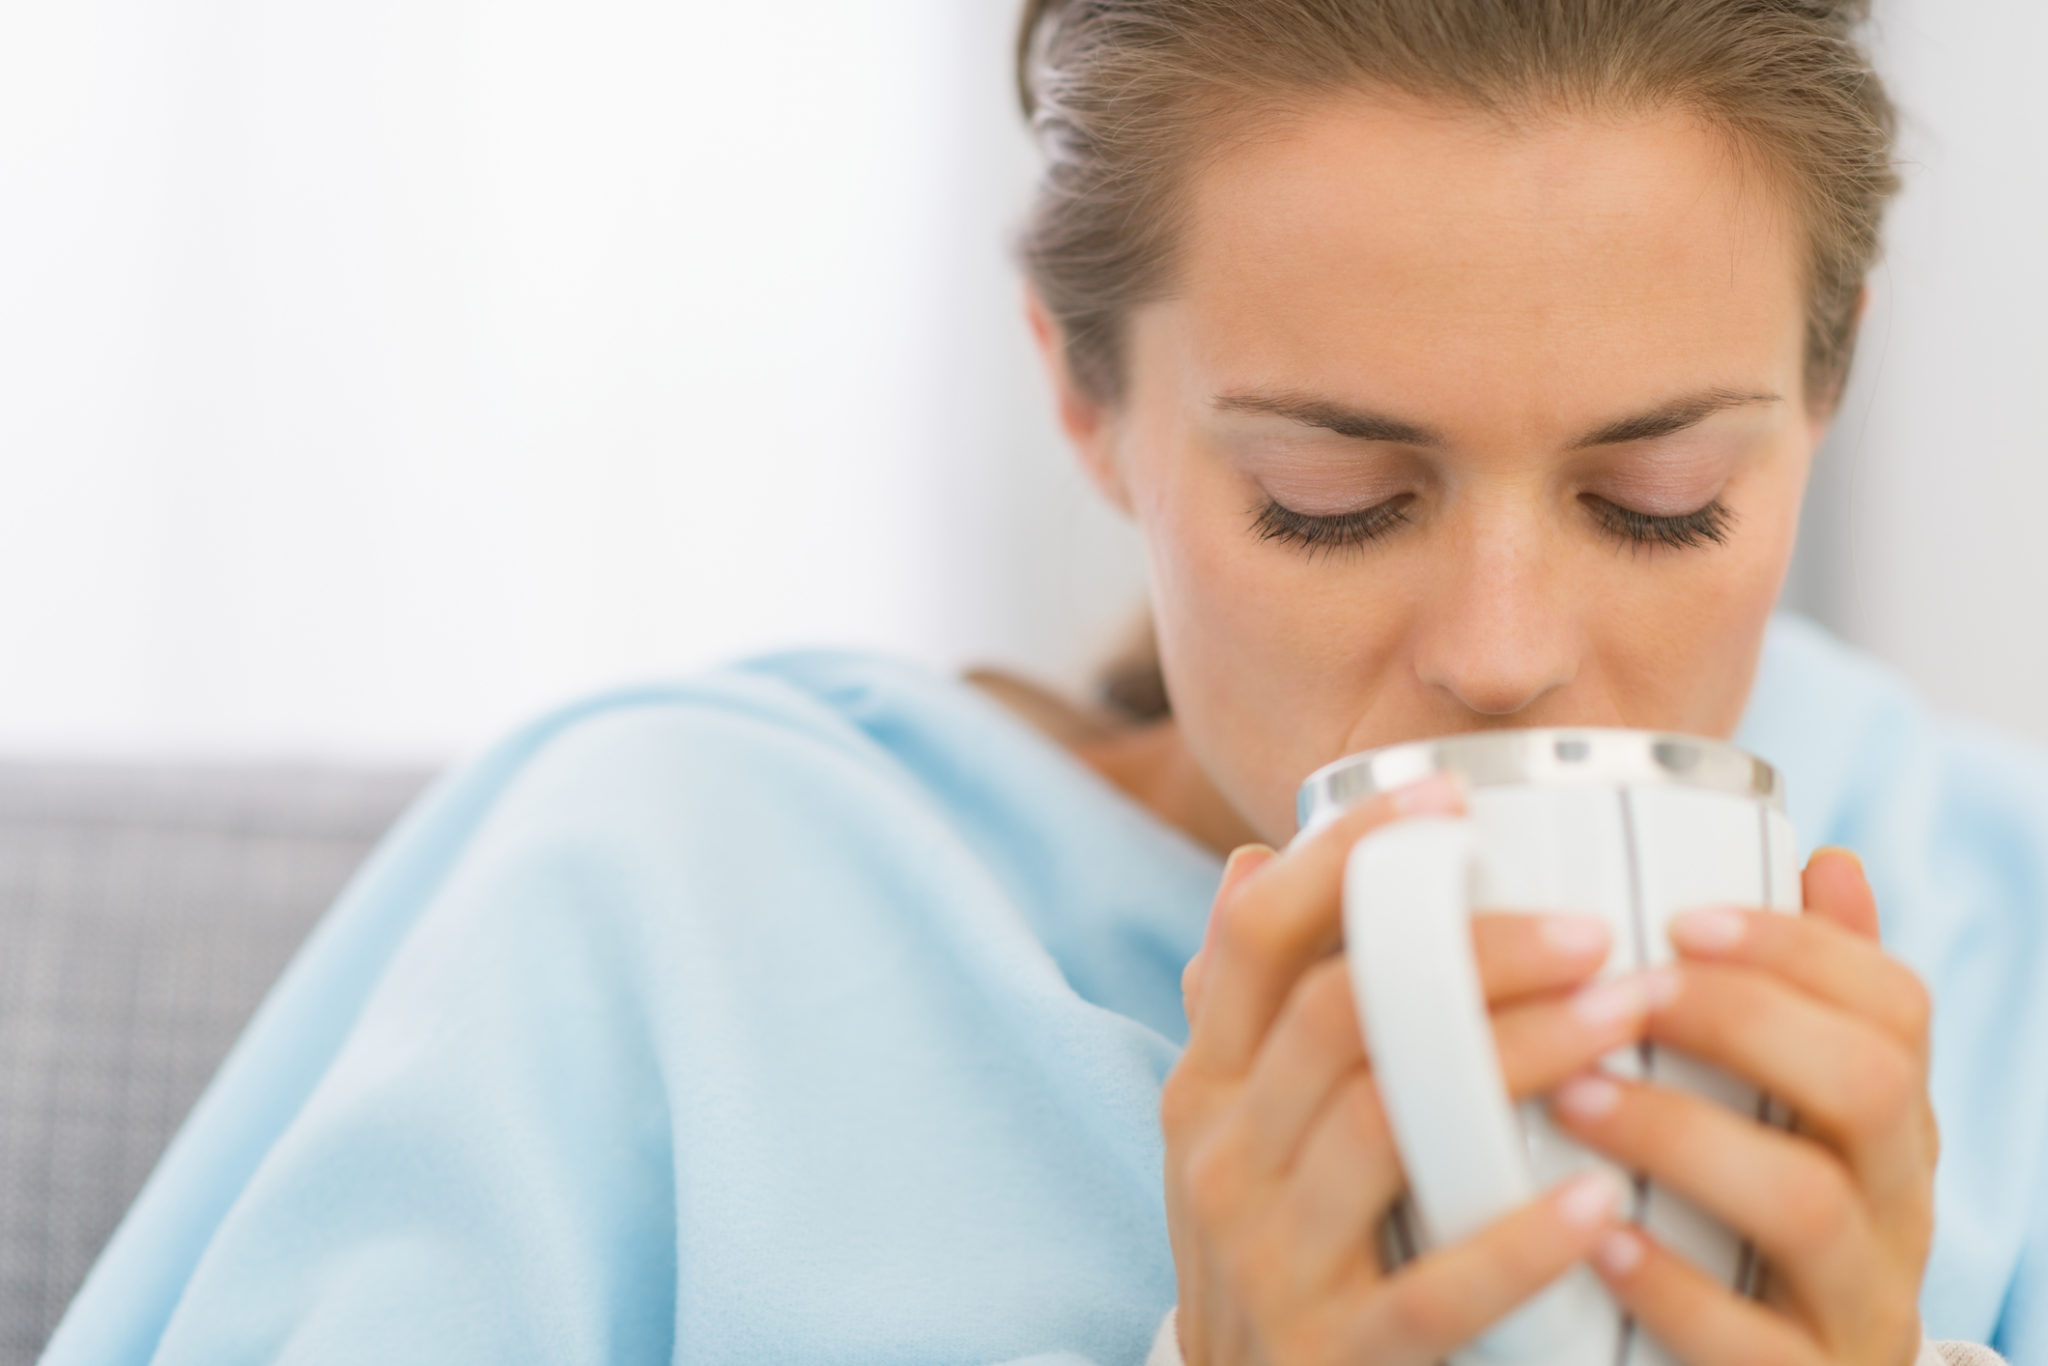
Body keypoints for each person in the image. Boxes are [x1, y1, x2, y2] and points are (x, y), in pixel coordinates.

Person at [40, 2, 2047, 1364]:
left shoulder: (1995, 913)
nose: (1506, 651)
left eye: (1658, 500)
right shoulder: (676, 908)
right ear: (1087, 401)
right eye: (1332, 502)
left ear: (1825, 386)